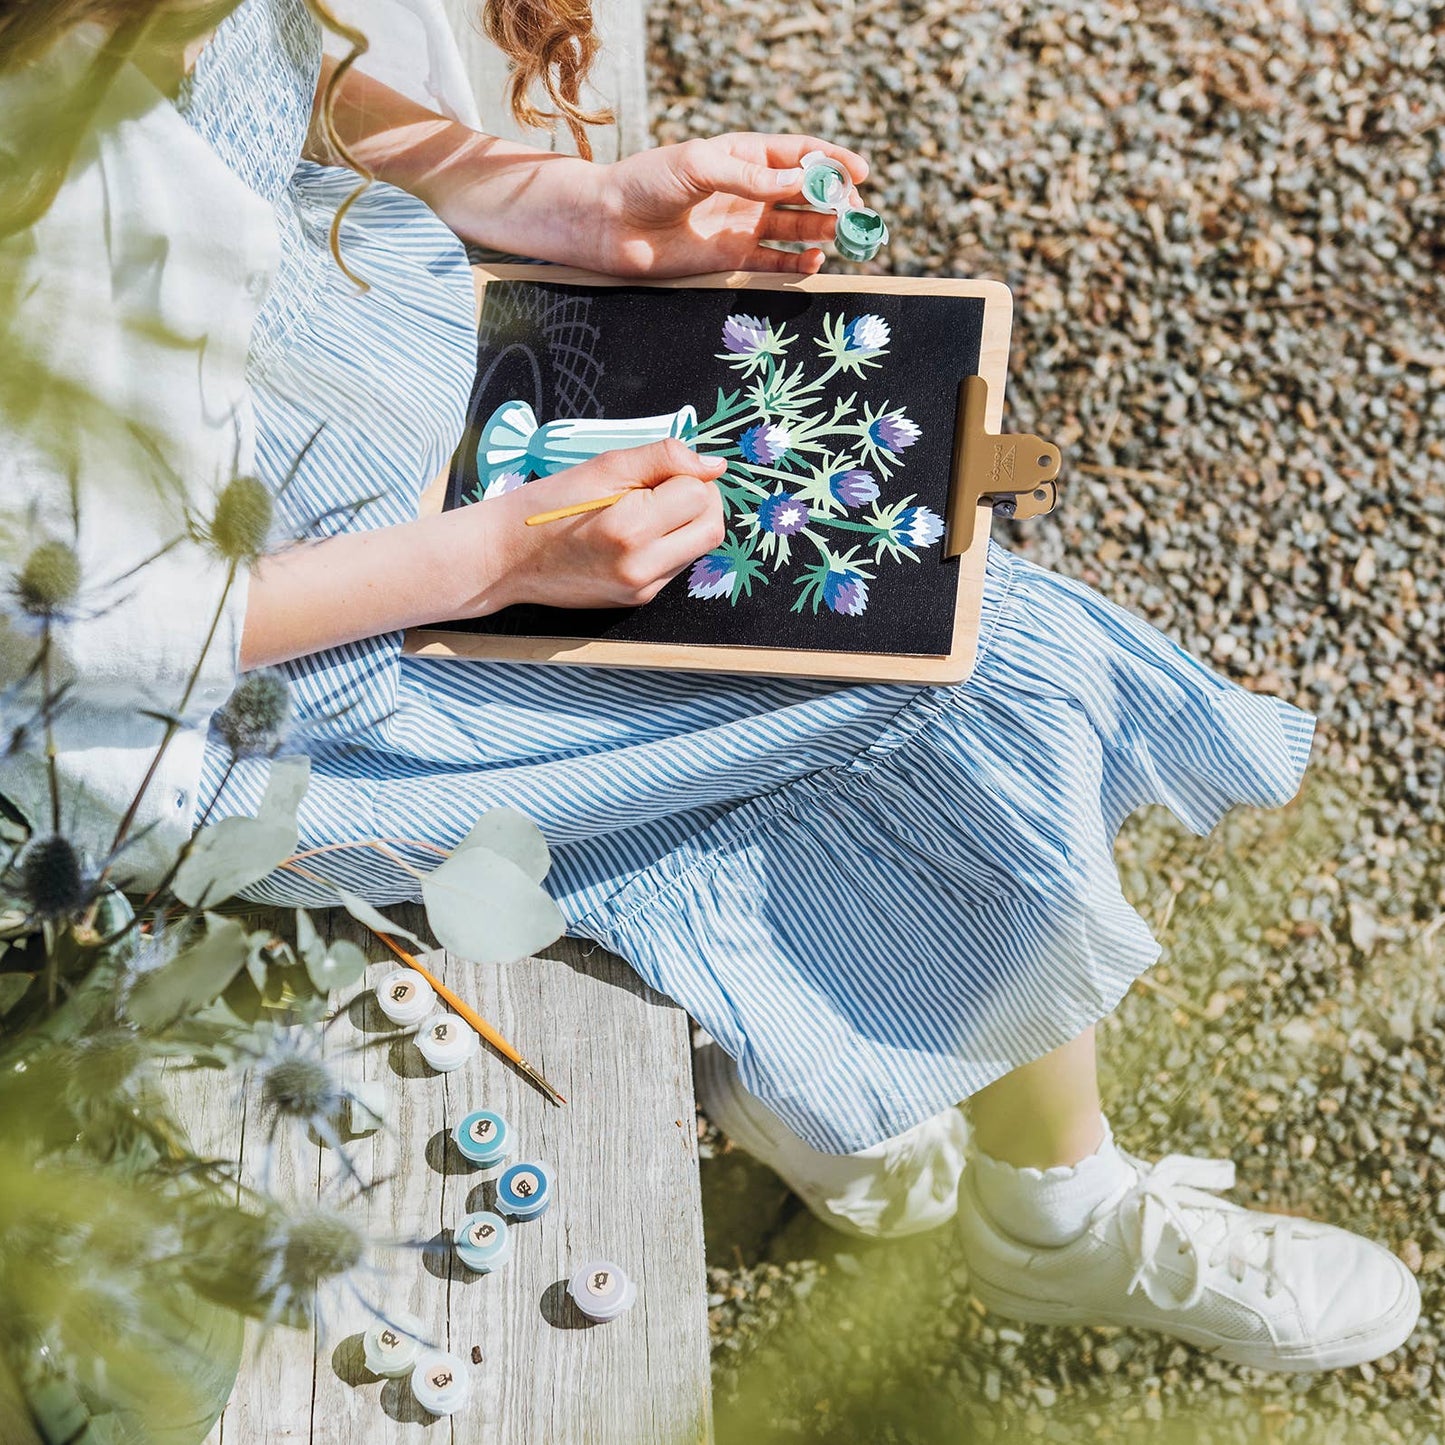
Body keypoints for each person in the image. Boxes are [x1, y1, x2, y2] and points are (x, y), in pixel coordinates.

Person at [0, 0, 1419, 1373]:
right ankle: (1048, 1212)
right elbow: (82, 626)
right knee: (974, 670)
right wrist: (496, 557)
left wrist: (572, 208)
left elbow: (262, 77)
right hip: (285, 646)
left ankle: (846, 1043)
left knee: (890, 529)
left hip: (377, 366)